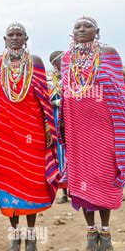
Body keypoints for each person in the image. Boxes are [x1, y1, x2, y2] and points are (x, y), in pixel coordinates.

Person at [58, 17, 125, 251]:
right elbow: (66, 94)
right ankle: (91, 233)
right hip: (77, 130)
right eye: (77, 27)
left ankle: (106, 230)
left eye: (86, 26)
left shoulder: (109, 54)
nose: (81, 30)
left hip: (105, 128)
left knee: (103, 176)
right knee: (82, 179)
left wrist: (121, 130)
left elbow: (120, 93)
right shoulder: (67, 59)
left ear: (97, 31)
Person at [0, 23, 59, 251]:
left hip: (32, 130)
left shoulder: (36, 62)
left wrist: (49, 125)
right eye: (11, 35)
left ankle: (30, 235)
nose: (15, 38)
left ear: (26, 38)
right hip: (4, 133)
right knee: (8, 182)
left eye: (19, 35)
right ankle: (14, 233)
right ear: (4, 39)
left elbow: (44, 98)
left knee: (31, 182)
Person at [48, 51, 68, 203]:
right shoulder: (49, 81)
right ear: (55, 64)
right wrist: (58, 103)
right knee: (60, 153)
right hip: (56, 120)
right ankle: (64, 191)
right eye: (62, 59)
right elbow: (44, 101)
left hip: (73, 120)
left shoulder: (73, 75)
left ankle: (77, 188)